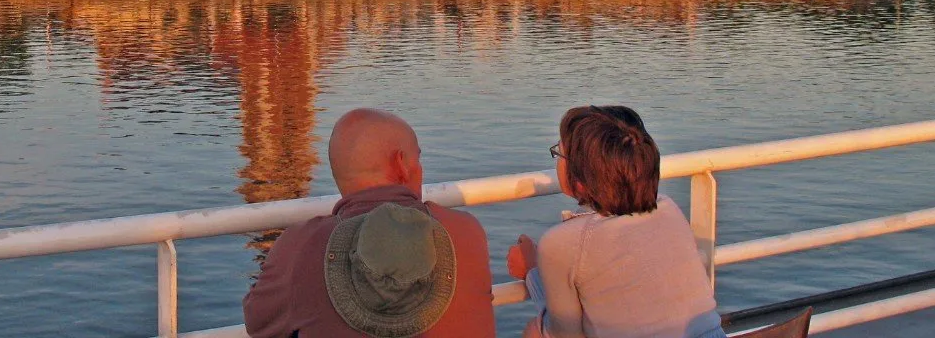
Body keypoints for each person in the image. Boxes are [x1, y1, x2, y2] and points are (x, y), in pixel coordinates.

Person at [243, 108, 496, 338]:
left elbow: (257, 322)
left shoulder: (299, 246)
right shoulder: (465, 232)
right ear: (401, 165)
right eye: (417, 159)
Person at [507, 106, 725, 338]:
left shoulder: (562, 243)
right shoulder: (668, 208)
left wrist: (533, 273)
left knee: (534, 332)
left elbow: (563, 334)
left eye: (559, 153)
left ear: (581, 181)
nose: (557, 162)